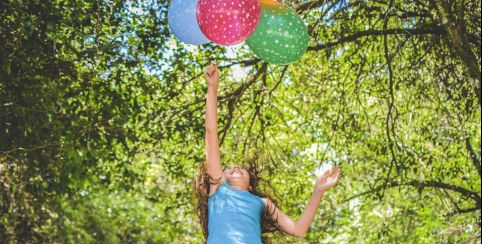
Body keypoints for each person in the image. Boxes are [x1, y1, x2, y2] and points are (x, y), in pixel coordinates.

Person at [193, 61, 341, 243]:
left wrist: (318, 191)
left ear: (250, 187)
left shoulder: (262, 202)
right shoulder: (218, 187)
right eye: (228, 168)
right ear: (220, 176)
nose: (235, 167)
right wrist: (213, 87)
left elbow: (298, 229)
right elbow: (211, 131)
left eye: (239, 167)